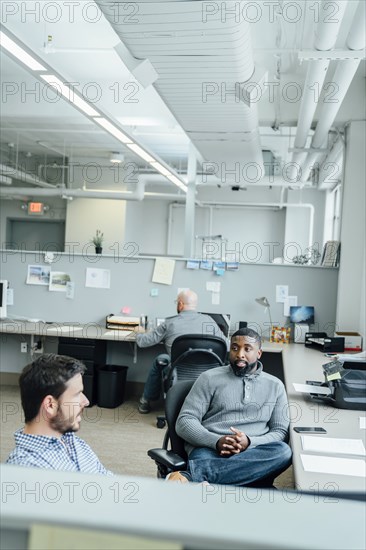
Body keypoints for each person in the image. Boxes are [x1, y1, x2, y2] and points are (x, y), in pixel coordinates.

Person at [168, 327, 292, 486]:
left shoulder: (275, 386)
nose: (240, 354)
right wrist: (217, 441)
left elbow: (280, 432)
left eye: (247, 349)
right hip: (210, 450)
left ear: (259, 353)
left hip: (253, 453)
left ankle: (195, 476)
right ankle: (234, 479)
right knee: (254, 481)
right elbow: (185, 421)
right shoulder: (209, 378)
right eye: (235, 348)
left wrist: (249, 441)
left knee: (283, 452)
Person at [6, 354, 113, 475]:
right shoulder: (27, 468)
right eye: (77, 394)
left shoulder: (73, 441)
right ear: (50, 405)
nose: (86, 402)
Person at [135, 289, 226, 413]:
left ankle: (145, 402)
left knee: (161, 359)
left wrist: (138, 332)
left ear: (180, 304)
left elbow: (143, 342)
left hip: (178, 373)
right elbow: (227, 344)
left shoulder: (169, 323)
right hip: (208, 374)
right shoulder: (209, 320)